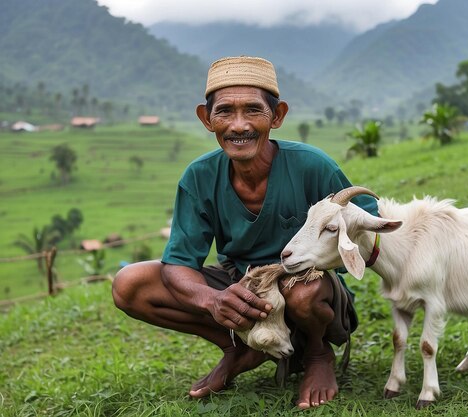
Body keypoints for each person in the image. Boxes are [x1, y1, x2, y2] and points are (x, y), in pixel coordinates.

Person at [112, 56, 378, 410]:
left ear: (277, 115)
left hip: (309, 286)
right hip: (243, 287)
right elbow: (178, 264)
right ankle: (241, 348)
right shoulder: (199, 176)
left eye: (253, 110)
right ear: (207, 120)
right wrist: (213, 299)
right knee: (131, 284)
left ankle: (316, 354)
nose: (239, 126)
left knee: (304, 290)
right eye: (224, 112)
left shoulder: (313, 166)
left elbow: (367, 226)